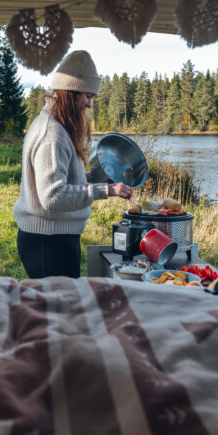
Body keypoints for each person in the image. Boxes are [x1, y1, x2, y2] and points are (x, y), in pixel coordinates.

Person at [13, 50, 133, 279]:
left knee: (59, 310)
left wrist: (98, 177)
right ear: (71, 92)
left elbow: (64, 180)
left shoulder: (56, 127)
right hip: (48, 243)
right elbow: (53, 196)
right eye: (87, 96)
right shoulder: (52, 135)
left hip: (53, 239)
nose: (89, 104)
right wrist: (106, 190)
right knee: (60, 311)